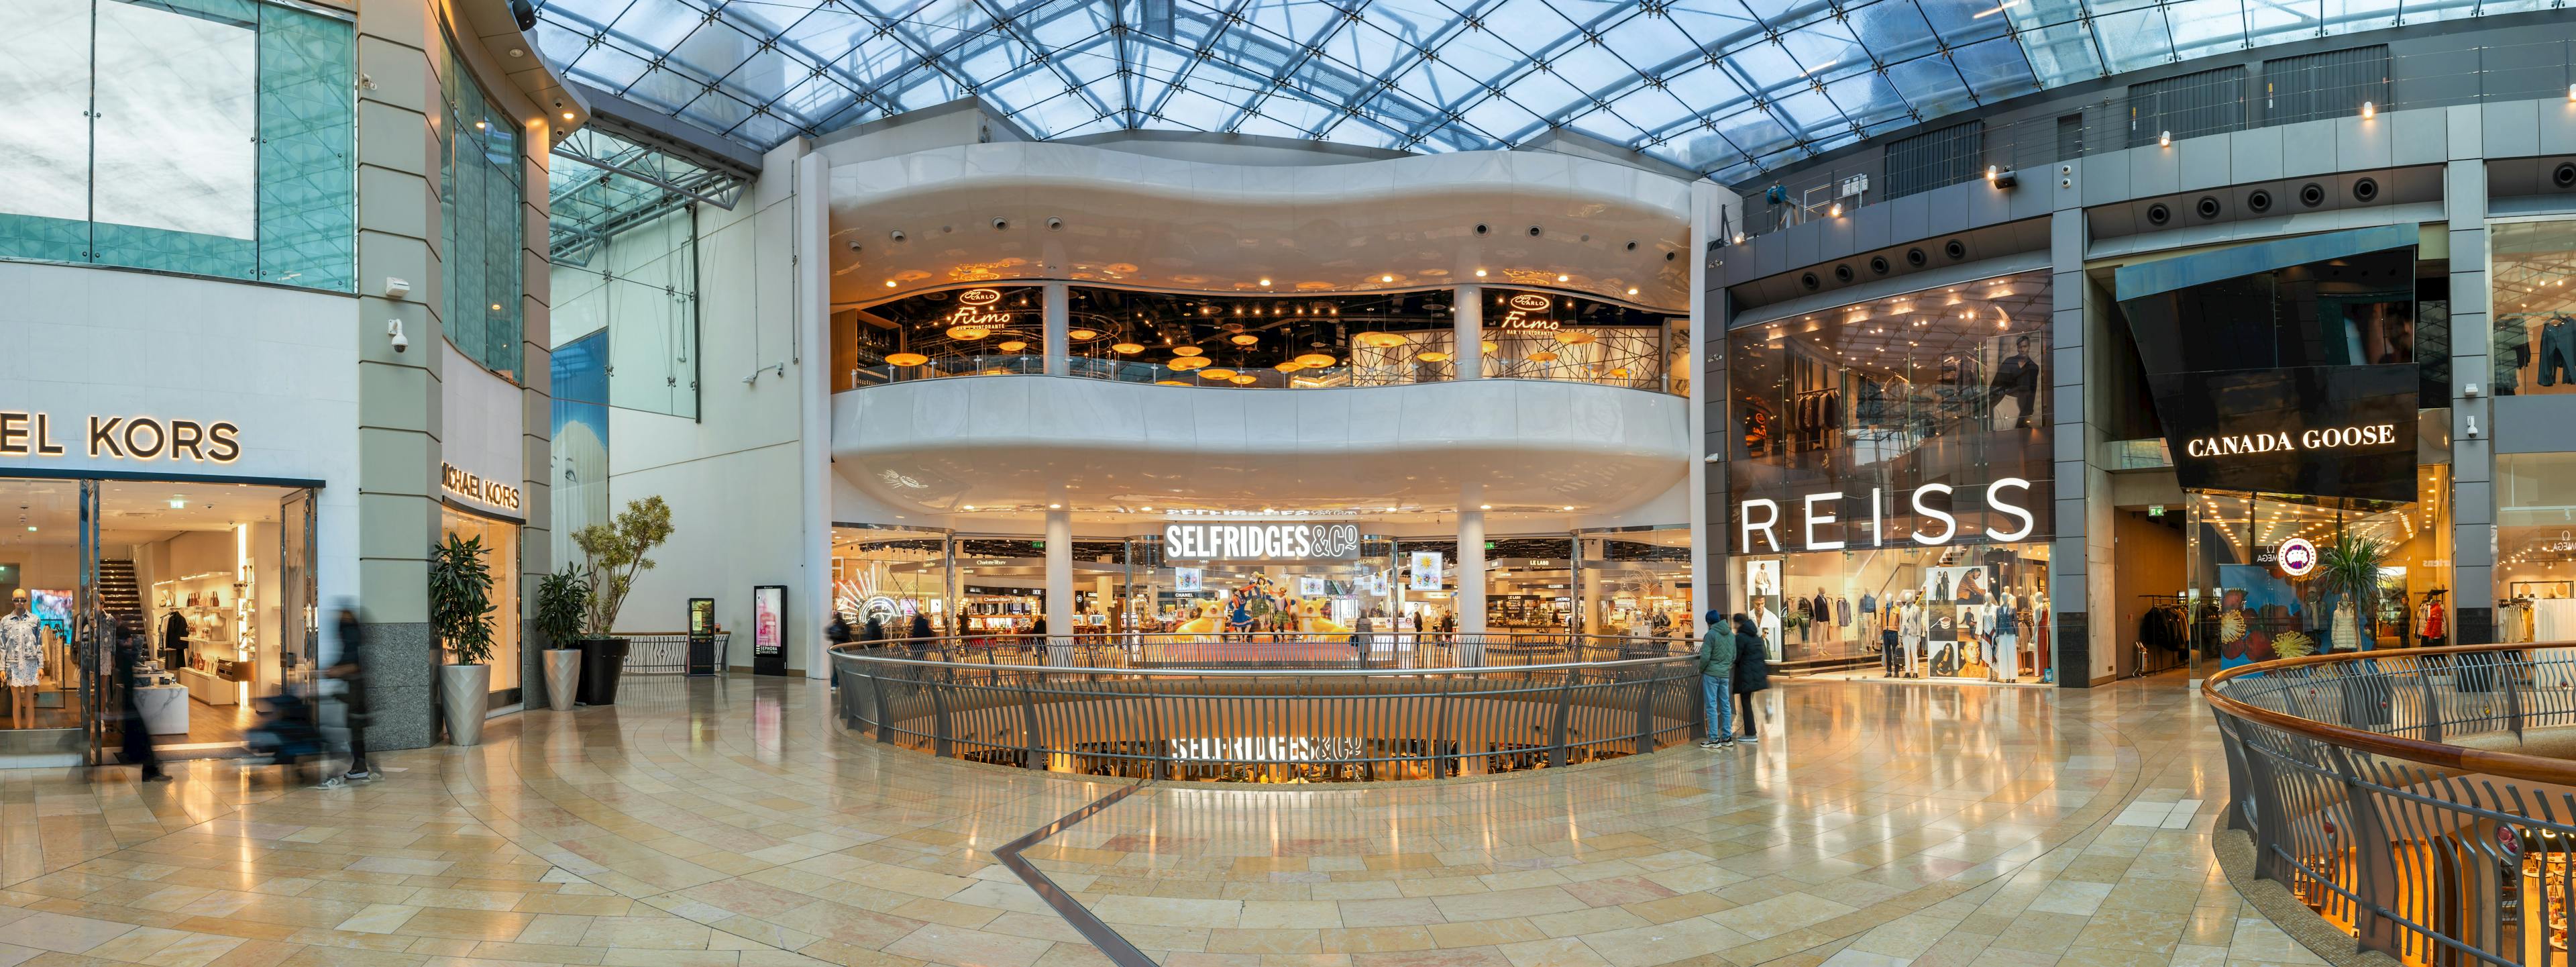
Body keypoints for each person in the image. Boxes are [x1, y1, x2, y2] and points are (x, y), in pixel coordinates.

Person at [113, 617, 168, 782]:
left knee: (137, 725)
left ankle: (148, 765)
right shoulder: (115, 634)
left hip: (126, 681)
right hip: (126, 682)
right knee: (138, 726)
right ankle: (149, 766)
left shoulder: (118, 633)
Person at [327, 606, 374, 783]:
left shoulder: (352, 638)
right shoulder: (352, 638)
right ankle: (359, 765)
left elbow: (354, 665)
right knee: (355, 731)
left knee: (356, 731)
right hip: (354, 694)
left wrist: (336, 671)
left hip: (356, 695)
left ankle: (361, 767)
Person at [1697, 611, 1736, 749]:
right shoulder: (1731, 635)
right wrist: (1725, 667)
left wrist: (1701, 670)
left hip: (1711, 674)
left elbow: (1705, 656)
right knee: (1725, 705)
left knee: (1711, 706)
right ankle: (1727, 737)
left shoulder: (1710, 635)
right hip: (1725, 674)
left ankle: (1714, 739)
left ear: (1708, 622)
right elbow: (1733, 656)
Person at [1732, 613, 1772, 744]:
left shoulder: (1741, 637)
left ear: (1739, 623)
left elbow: (1736, 657)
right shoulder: (1755, 636)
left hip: (1746, 675)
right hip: (1757, 674)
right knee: (1749, 703)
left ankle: (1751, 734)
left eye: (1735, 623)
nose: (1734, 625)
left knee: (1746, 703)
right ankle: (1766, 710)